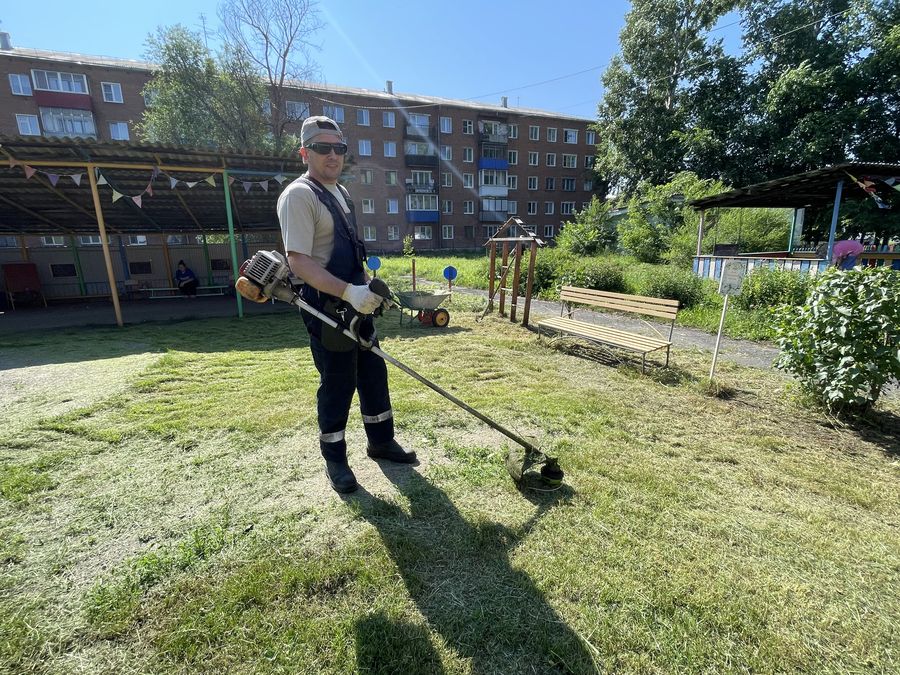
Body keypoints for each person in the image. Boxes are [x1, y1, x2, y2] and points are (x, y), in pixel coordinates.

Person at [276, 115, 415, 494]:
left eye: (339, 148)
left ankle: (381, 442)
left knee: (373, 372)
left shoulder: (342, 192)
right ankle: (335, 460)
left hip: (358, 300)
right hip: (326, 306)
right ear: (305, 152)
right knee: (338, 383)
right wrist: (348, 292)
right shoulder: (299, 195)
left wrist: (365, 287)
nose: (333, 155)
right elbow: (299, 261)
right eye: (323, 148)